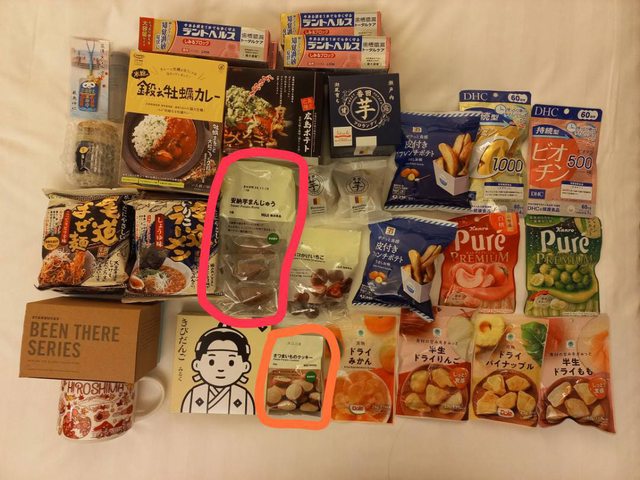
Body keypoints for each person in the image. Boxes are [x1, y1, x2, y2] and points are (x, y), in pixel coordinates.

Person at [181, 325, 255, 414]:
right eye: (211, 362)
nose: (221, 369)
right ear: (197, 364)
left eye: (231, 362)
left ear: (245, 366)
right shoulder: (194, 394)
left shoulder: (244, 396)